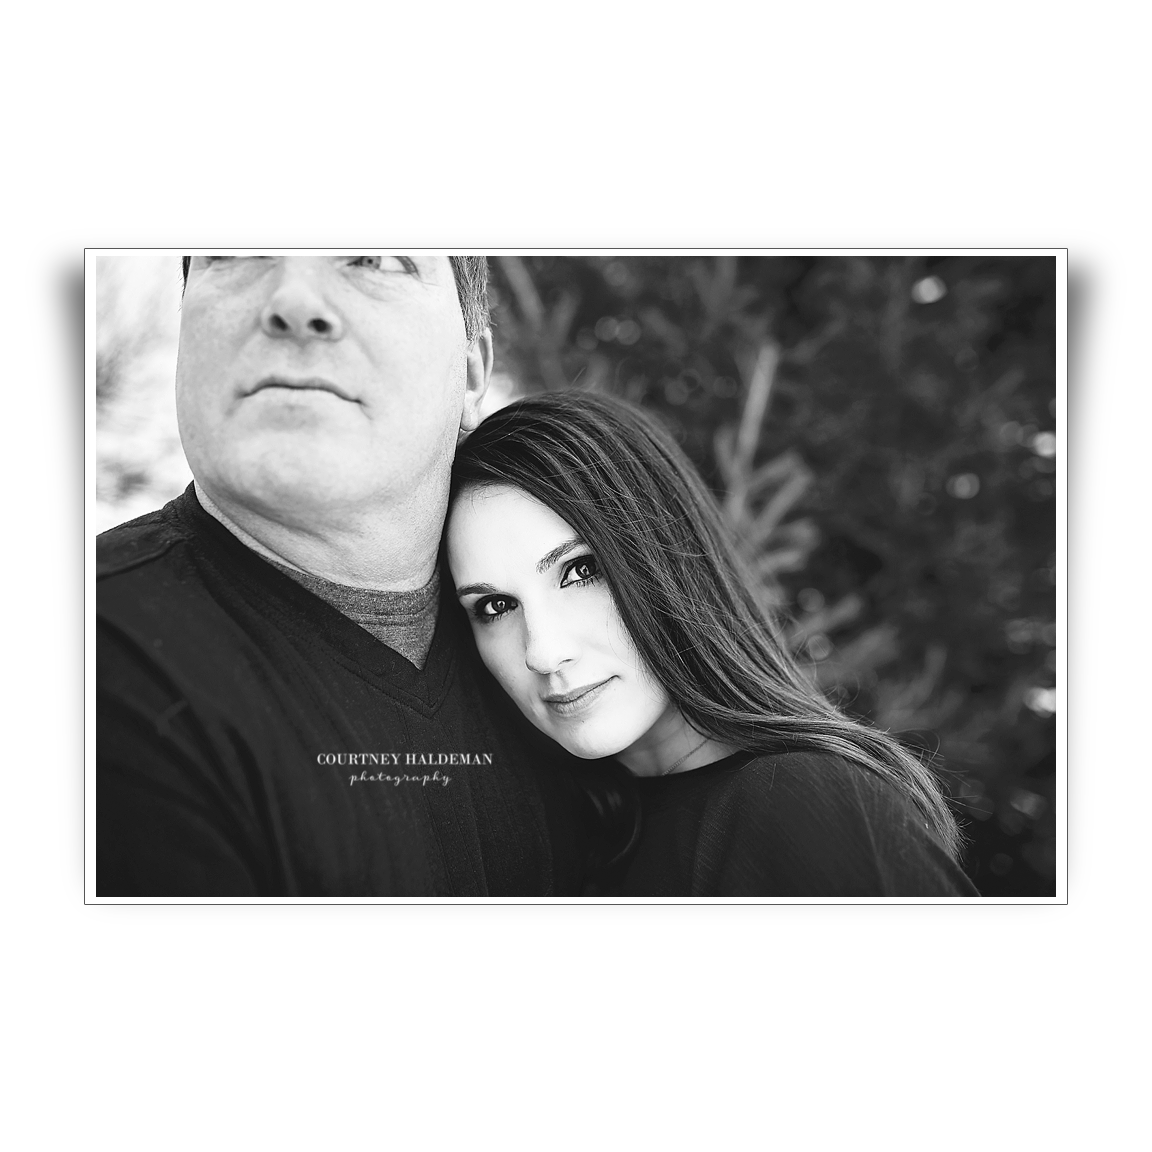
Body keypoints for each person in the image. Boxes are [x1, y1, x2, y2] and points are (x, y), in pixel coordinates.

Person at [97, 254, 614, 897]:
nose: (294, 302)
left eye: (375, 258)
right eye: (237, 250)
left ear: (472, 371)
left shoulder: (585, 666)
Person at [446, 391, 979, 896]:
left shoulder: (804, 809)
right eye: (494, 607)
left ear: (664, 554)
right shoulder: (553, 847)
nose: (542, 651)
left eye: (581, 571)